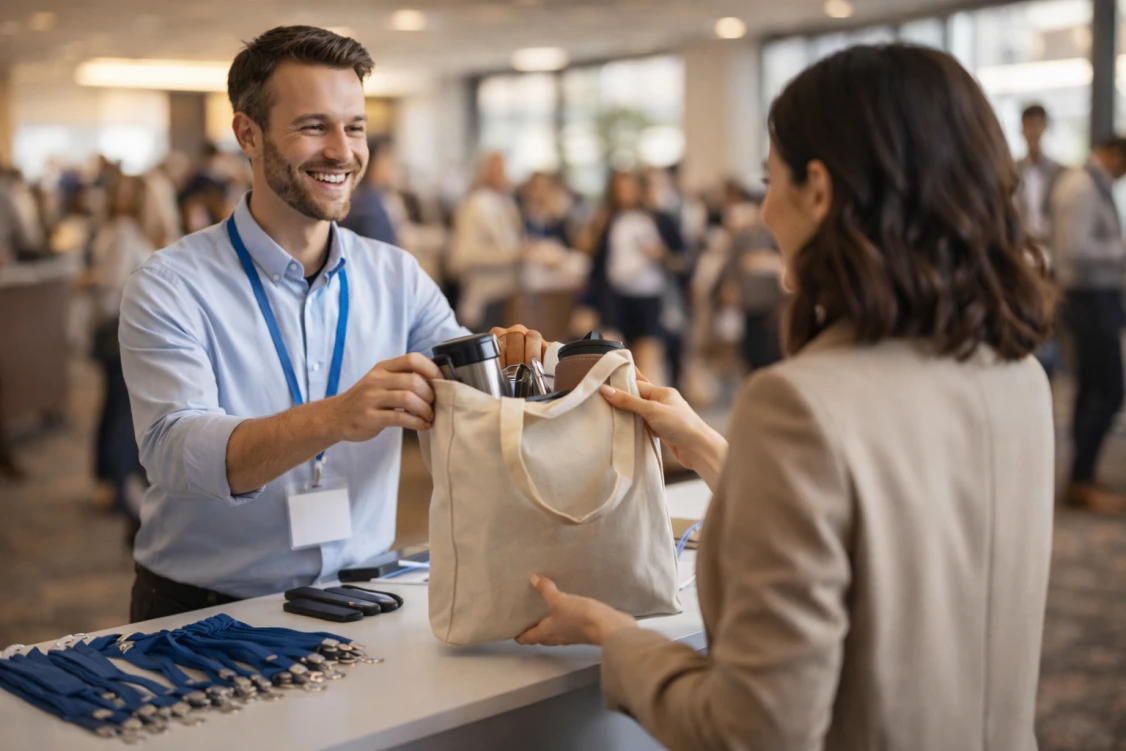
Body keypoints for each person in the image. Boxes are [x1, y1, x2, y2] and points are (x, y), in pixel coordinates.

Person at [517, 44, 1058, 751]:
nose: (766, 212)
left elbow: (754, 730)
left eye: (771, 180)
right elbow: (893, 535)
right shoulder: (1018, 375)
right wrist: (712, 450)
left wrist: (612, 634)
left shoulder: (800, 403)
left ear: (820, 191)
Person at [119, 26, 544, 621]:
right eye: (313, 126)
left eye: (355, 127)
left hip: (363, 593)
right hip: (204, 611)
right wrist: (336, 418)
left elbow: (469, 405)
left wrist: (511, 372)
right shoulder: (169, 284)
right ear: (249, 134)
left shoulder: (398, 276)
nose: (343, 152)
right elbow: (174, 451)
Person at [1051, 137, 1126, 513]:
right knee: (1109, 388)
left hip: (1098, 298)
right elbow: (1074, 251)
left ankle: (1082, 478)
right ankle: (1081, 477)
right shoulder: (1080, 188)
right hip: (1086, 300)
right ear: (1112, 156)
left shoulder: (1092, 185)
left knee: (1091, 388)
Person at [85, 175, 153, 518]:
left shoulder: (117, 229)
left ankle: (110, 480)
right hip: (121, 328)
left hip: (113, 326)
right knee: (121, 412)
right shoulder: (124, 231)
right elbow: (113, 284)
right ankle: (116, 481)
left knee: (114, 407)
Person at [581, 170, 684, 385]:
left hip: (650, 298)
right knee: (614, 358)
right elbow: (596, 264)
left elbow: (682, 260)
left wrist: (661, 254)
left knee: (647, 360)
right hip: (615, 298)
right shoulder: (608, 219)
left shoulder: (658, 218)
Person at [449, 152, 524, 331]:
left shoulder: (506, 203)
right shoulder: (475, 205)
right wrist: (513, 255)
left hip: (505, 293)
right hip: (484, 297)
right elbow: (462, 257)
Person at [1017, 104, 1064, 247]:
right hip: (1022, 245)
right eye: (1028, 126)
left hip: (1053, 246)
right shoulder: (1012, 170)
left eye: (1036, 125)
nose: (1033, 132)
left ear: (1044, 127)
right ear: (1022, 129)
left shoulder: (1060, 172)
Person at [340, 135, 399, 245]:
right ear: (371, 163)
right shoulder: (366, 205)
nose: (392, 165)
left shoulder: (379, 196)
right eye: (387, 158)